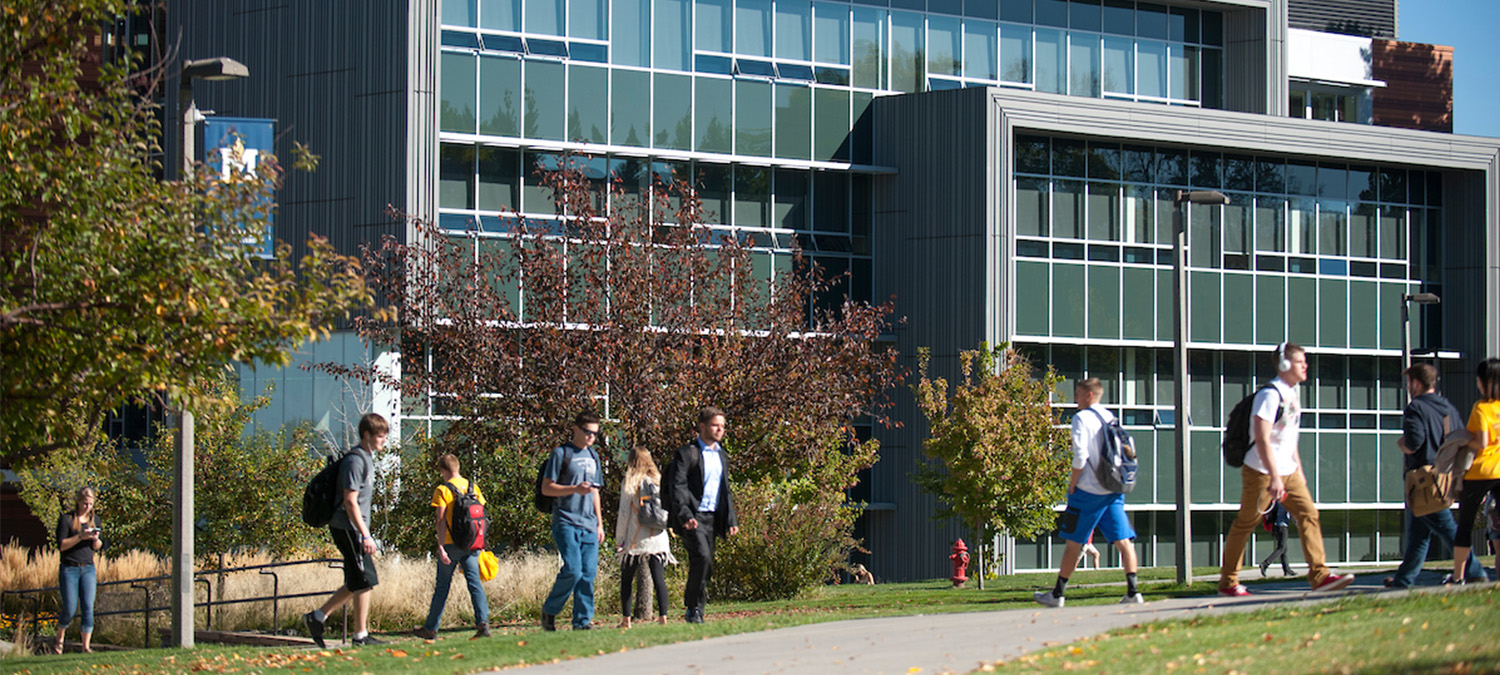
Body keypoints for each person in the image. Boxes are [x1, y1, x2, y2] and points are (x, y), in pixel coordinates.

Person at [1218, 343, 1354, 597]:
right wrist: (1274, 475)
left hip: (1287, 470)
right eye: (1301, 362)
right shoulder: (1270, 395)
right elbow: (1262, 437)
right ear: (1285, 365)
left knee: (1309, 514)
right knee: (1246, 523)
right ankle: (1228, 582)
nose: (1306, 366)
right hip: (1260, 471)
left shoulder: (1293, 393)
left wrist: (1298, 471)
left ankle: (1320, 575)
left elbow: (1289, 439)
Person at [1034, 378, 1143, 608]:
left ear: (1090, 395)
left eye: (1078, 394)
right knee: (1124, 541)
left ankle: (1058, 594)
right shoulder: (1109, 416)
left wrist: (1073, 483)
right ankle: (1133, 591)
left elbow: (1080, 455)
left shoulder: (1081, 418)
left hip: (1088, 490)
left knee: (1074, 542)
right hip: (1112, 488)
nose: (1075, 399)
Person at [1384, 363, 1486, 588]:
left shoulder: (1415, 408)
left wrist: (1403, 445)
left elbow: (1414, 441)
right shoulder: (1446, 407)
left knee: (1446, 526)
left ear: (1416, 383)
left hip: (1423, 478)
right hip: (1444, 475)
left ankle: (1476, 571)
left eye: (1409, 382)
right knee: (1419, 533)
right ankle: (1404, 579)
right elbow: (1460, 437)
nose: (1408, 387)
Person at [304, 413, 388, 648]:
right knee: (364, 579)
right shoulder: (356, 461)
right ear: (367, 435)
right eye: (380, 436)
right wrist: (365, 534)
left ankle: (318, 617)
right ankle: (359, 635)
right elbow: (350, 501)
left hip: (353, 528)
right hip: (348, 527)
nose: (383, 441)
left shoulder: (367, 459)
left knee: (359, 579)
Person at [668, 407, 739, 624]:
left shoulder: (721, 456)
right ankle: (693, 608)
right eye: (716, 425)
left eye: (723, 426)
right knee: (702, 557)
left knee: (705, 564)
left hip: (712, 517)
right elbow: (677, 486)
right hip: (693, 517)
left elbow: (724, 490)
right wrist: (685, 514)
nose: (720, 430)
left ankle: (696, 608)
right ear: (702, 426)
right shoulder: (687, 454)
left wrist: (731, 519)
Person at [413, 453, 490, 640]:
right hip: (472, 544)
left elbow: (440, 519)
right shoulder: (473, 487)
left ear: (443, 470)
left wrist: (440, 546)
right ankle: (483, 623)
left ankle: (431, 628)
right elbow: (480, 517)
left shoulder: (443, 490)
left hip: (450, 544)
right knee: (474, 583)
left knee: (442, 587)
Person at [540, 411, 605, 631]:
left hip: (589, 523)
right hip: (566, 521)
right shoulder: (561, 454)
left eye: (595, 433)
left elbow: (595, 491)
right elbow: (547, 488)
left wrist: (600, 523)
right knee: (573, 570)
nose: (591, 437)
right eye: (587, 432)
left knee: (588, 573)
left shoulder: (594, 456)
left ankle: (582, 621)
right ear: (576, 429)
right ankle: (550, 610)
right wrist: (574, 489)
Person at [1449, 358, 1500, 583]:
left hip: (1480, 472)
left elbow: (1481, 441)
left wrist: (1462, 442)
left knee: (1466, 524)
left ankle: (1458, 575)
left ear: (1483, 381)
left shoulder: (1481, 407)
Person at [614, 446, 675, 629]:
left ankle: (626, 620)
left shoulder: (631, 482)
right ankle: (663, 617)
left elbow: (624, 514)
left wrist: (619, 540)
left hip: (636, 540)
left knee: (626, 580)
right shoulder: (658, 480)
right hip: (658, 537)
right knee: (659, 579)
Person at [53, 486, 104, 654]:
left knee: (88, 607)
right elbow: (61, 545)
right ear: (78, 501)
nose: (87, 507)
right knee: (70, 607)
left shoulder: (94, 519)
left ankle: (86, 646)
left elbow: (98, 546)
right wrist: (80, 537)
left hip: (88, 568)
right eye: (84, 503)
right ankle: (60, 638)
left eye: (90, 504)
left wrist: (95, 539)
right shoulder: (67, 519)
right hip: (70, 568)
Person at [1259, 501, 1295, 578]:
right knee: (1281, 548)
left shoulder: (1277, 501)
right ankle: (1265, 564)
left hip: (1275, 527)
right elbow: (1292, 514)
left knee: (1284, 548)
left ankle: (1287, 570)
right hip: (1282, 527)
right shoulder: (1286, 501)